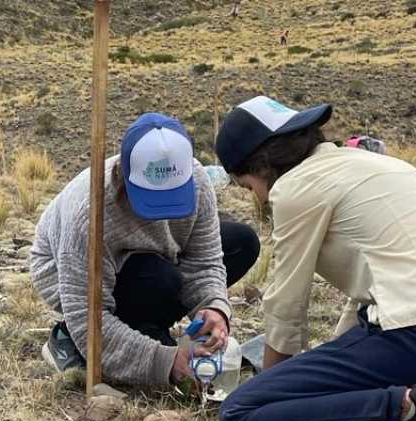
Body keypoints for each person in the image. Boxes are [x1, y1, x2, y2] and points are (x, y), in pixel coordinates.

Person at [214, 96, 416, 421]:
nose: (260, 199)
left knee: (241, 412)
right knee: (346, 412)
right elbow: (373, 293)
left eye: (249, 187)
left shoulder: (295, 187)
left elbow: (286, 305)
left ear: (262, 166)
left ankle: (405, 408)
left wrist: (274, 387)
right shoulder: (374, 164)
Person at [29, 113, 260, 386]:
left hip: (157, 260)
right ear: (125, 175)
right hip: (69, 275)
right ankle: (68, 338)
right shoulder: (88, 214)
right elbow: (89, 316)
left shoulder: (196, 179)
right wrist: (164, 362)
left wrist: (214, 308)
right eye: (152, 198)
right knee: (159, 279)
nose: (160, 215)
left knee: (240, 242)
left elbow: (205, 261)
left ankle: (144, 328)